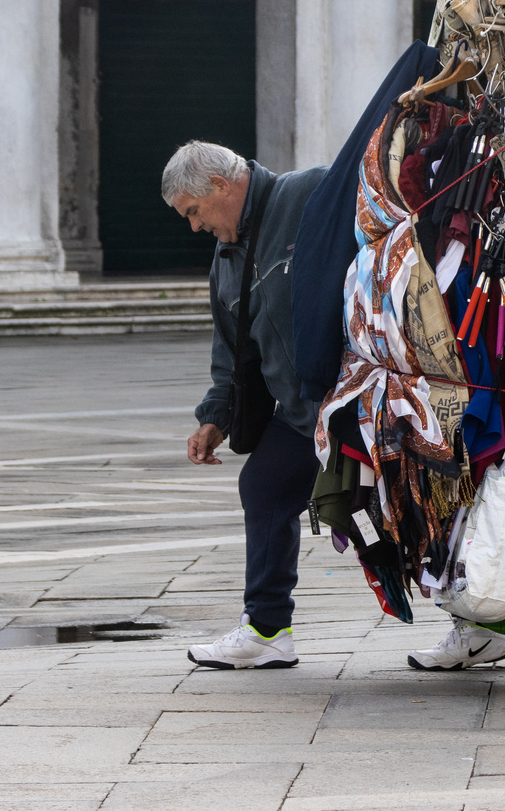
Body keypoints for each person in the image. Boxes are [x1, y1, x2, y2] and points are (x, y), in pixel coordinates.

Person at [166, 141, 327, 669]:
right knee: (264, 483)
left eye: (193, 212)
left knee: (400, 511)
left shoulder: (306, 192)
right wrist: (215, 417)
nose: (193, 227)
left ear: (220, 186)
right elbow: (231, 352)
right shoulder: (225, 257)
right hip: (303, 414)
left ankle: (482, 618)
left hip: (362, 401)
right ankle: (266, 630)